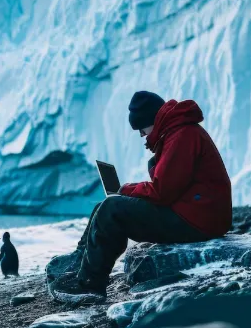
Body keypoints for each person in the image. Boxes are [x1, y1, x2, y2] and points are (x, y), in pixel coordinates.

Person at [47, 91, 232, 304]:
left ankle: (90, 284)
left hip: (198, 220)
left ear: (152, 120)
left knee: (112, 209)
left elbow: (162, 191)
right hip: (196, 213)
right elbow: (169, 187)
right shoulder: (179, 133)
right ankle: (81, 264)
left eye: (142, 129)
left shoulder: (182, 136)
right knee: (105, 205)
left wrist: (126, 190)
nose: (143, 135)